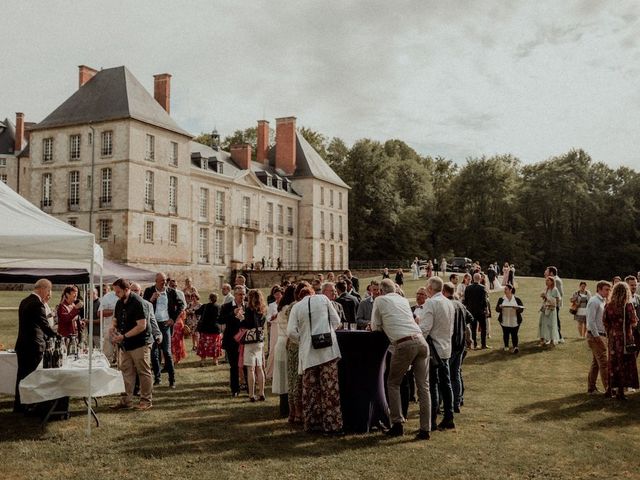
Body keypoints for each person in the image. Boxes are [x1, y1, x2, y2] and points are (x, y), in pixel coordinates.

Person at [371, 278, 431, 440]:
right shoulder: (403, 300)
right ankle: (425, 428)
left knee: (393, 382)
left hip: (404, 343)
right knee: (423, 387)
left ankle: (397, 424)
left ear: (381, 291)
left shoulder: (379, 300)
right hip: (421, 341)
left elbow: (375, 326)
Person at [287, 282, 343, 435]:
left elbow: (291, 332)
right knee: (330, 390)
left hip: (308, 354)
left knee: (311, 391)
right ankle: (332, 425)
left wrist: (304, 339)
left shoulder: (297, 307)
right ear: (312, 292)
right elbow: (336, 321)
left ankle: (313, 424)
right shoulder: (324, 300)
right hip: (327, 351)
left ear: (300, 296)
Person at [416, 276, 455, 430]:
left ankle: (431, 421)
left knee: (432, 385)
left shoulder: (431, 303)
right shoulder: (449, 303)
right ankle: (449, 417)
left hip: (434, 349)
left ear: (431, 289)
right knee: (446, 384)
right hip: (446, 347)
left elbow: (425, 328)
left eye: (427, 287)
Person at [14, 279, 58, 414]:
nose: (49, 293)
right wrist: (59, 336)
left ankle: (19, 405)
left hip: (22, 345)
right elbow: (45, 326)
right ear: (43, 289)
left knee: (22, 376)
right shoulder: (37, 304)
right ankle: (30, 405)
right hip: (33, 346)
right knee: (32, 377)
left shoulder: (24, 301)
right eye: (49, 290)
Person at [109, 278, 153, 411]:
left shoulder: (139, 303)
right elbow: (115, 319)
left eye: (118, 291)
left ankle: (146, 401)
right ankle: (126, 401)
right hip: (125, 344)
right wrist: (113, 328)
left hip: (140, 343)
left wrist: (123, 336)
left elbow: (141, 326)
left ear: (127, 289)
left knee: (143, 372)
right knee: (126, 371)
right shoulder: (119, 302)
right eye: (115, 291)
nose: (116, 294)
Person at [143, 272, 185, 388]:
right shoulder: (149, 291)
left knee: (167, 351)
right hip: (153, 325)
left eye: (165, 280)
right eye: (162, 280)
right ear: (156, 281)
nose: (164, 282)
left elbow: (181, 305)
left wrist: (173, 319)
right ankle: (157, 378)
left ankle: (172, 380)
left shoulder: (171, 292)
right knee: (154, 352)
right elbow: (143, 306)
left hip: (166, 324)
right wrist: (151, 299)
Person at [602, 282, 639, 400]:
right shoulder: (628, 305)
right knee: (623, 364)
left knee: (612, 363)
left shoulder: (608, 305)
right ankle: (620, 392)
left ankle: (609, 389)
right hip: (625, 338)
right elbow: (634, 322)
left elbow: (605, 321)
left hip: (613, 338)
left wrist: (611, 331)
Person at [442, 282, 473, 413]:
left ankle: (448, 403)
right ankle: (457, 403)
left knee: (447, 376)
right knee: (456, 374)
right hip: (460, 344)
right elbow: (470, 318)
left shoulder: (448, 305)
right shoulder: (460, 305)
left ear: (444, 291)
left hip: (451, 343)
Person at [219, 286, 247, 397]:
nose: (242, 297)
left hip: (245, 341)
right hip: (231, 340)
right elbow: (220, 320)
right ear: (235, 295)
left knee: (246, 364)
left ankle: (248, 387)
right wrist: (232, 313)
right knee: (234, 366)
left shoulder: (248, 306)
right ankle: (235, 389)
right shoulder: (226, 307)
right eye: (240, 294)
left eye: (244, 294)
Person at [273, 285, 296, 417]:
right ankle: (287, 408)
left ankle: (284, 408)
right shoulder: (289, 309)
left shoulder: (281, 308)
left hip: (280, 342)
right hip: (287, 341)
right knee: (288, 375)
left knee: (282, 376)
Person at [240, 289, 267, 402]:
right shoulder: (262, 310)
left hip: (250, 340)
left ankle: (251, 394)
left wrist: (241, 318)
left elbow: (247, 324)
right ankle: (261, 392)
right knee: (259, 368)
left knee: (250, 369)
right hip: (259, 340)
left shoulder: (249, 310)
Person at [586, 280, 611, 395]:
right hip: (595, 335)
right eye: (606, 289)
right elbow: (591, 321)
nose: (608, 292)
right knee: (603, 363)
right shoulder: (594, 301)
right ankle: (608, 389)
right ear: (599, 289)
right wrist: (597, 338)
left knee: (596, 363)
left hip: (601, 335)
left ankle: (591, 388)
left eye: (609, 289)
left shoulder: (603, 301)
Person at [195, 294, 222, 366]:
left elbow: (197, 312)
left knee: (204, 345)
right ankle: (215, 361)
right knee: (215, 345)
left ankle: (202, 362)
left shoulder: (205, 306)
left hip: (205, 329)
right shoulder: (219, 307)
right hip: (215, 329)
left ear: (209, 299)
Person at [496, 284, 524, 353]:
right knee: (505, 333)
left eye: (506, 289)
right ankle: (506, 346)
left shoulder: (517, 299)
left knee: (514, 334)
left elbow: (521, 309)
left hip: (514, 320)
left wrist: (517, 309)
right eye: (504, 289)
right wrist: (500, 307)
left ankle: (515, 347)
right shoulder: (501, 299)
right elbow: (497, 309)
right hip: (504, 319)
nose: (504, 290)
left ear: (510, 290)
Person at [463, 273, 489, 349]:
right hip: (480, 311)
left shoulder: (468, 288)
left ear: (473, 278)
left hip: (471, 310)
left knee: (473, 328)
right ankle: (483, 344)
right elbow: (484, 301)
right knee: (483, 328)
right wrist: (486, 309)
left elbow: (466, 300)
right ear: (480, 279)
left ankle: (474, 344)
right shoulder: (482, 288)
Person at [265, 286, 283, 379]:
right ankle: (270, 372)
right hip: (275, 327)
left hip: (283, 327)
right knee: (273, 349)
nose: (277, 296)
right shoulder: (272, 305)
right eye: (276, 294)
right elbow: (268, 318)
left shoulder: (285, 305)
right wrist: (273, 317)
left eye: (279, 294)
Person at [538, 276, 560, 346]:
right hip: (545, 308)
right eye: (546, 280)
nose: (546, 282)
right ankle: (543, 340)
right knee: (542, 323)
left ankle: (552, 341)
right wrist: (543, 296)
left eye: (548, 280)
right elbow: (545, 299)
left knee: (551, 324)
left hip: (551, 309)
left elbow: (557, 300)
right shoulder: (546, 289)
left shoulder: (555, 289)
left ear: (552, 282)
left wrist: (547, 298)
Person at [545, 267, 564, 343]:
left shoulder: (557, 280)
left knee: (556, 320)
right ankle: (551, 337)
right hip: (550, 304)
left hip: (555, 305)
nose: (545, 272)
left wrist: (554, 302)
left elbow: (560, 294)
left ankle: (559, 337)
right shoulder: (551, 280)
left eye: (547, 271)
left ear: (551, 273)